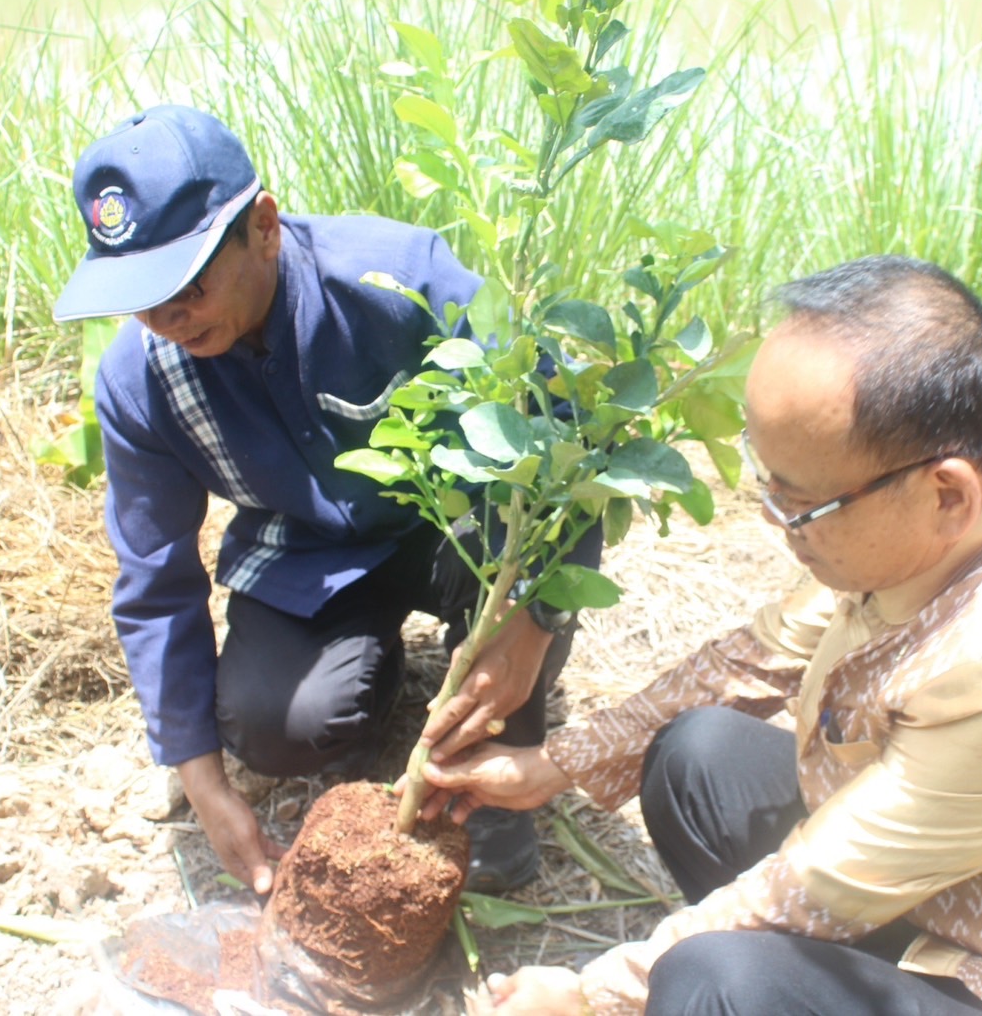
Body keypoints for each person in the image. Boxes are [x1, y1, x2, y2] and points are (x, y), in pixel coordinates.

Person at [416, 255, 982, 1013]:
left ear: (945, 493)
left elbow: (825, 881)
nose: (775, 519)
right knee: (697, 755)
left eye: (802, 502)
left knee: (715, 987)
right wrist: (553, 766)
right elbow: (762, 653)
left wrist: (594, 994)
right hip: (961, 898)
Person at [52, 103, 591, 896]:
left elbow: (560, 444)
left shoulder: (398, 278)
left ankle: (490, 768)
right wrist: (202, 780)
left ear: (263, 226)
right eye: (140, 296)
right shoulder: (143, 379)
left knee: (506, 585)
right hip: (309, 551)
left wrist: (533, 627)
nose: (167, 318)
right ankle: (371, 693)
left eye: (187, 285)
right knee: (274, 723)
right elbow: (155, 579)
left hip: (460, 529)